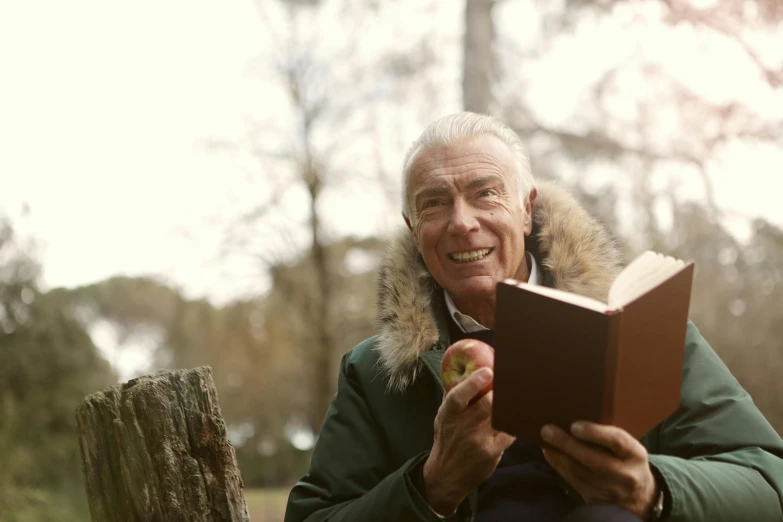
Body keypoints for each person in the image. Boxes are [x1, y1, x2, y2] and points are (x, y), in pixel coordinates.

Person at [284, 112, 783, 522]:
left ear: (526, 210)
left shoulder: (638, 328)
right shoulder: (372, 374)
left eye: (485, 193)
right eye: (434, 204)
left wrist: (653, 490)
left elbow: (767, 481)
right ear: (414, 229)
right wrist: (431, 485)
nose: (462, 222)